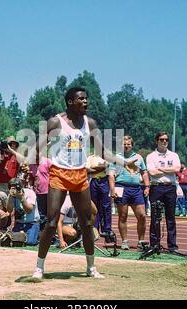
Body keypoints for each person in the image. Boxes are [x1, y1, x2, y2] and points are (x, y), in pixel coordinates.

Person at [32, 87, 132, 280]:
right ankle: (39, 268)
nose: (85, 102)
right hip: (59, 174)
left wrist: (124, 162)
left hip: (80, 175)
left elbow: (102, 153)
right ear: (70, 102)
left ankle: (91, 267)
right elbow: (36, 148)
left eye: (86, 99)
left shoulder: (90, 123)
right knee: (52, 222)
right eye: (81, 99)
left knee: (87, 223)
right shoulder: (55, 122)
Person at [109, 136, 149, 250]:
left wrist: (147, 186)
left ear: (132, 145)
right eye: (124, 144)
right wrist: (112, 189)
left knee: (142, 215)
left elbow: (144, 173)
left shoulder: (139, 157)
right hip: (121, 187)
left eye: (128, 144)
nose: (126, 146)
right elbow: (111, 175)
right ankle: (125, 241)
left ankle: (141, 241)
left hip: (136, 189)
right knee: (123, 216)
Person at [146, 131, 181, 251]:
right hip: (156, 187)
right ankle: (154, 244)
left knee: (170, 217)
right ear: (157, 141)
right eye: (161, 139)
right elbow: (152, 173)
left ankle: (172, 245)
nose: (164, 141)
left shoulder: (174, 155)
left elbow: (177, 169)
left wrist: (160, 168)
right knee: (155, 217)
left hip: (170, 187)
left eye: (166, 139)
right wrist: (168, 170)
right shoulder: (151, 156)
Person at [6, 178, 40, 246]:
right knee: (13, 239)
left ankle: (38, 235)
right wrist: (10, 196)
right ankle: (24, 234)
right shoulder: (12, 195)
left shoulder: (30, 193)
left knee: (30, 242)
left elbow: (29, 210)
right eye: (12, 188)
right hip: (20, 223)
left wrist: (22, 198)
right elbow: (9, 210)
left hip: (32, 223)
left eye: (16, 187)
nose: (15, 190)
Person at [87, 151, 112, 239]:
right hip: (94, 181)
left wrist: (94, 168)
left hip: (104, 181)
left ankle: (107, 230)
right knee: (94, 206)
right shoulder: (90, 157)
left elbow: (106, 167)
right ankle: (95, 229)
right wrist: (101, 167)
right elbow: (87, 170)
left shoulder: (107, 156)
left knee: (106, 206)